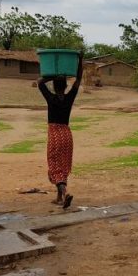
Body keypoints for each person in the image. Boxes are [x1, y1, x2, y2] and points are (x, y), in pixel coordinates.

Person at [38, 52, 84, 208]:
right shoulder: (69, 97)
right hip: (67, 134)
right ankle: (59, 197)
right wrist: (80, 60)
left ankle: (64, 194)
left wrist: (52, 74)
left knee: (54, 166)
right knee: (63, 165)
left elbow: (39, 82)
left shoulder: (50, 98)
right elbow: (78, 79)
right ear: (65, 86)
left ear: (54, 86)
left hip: (55, 135)